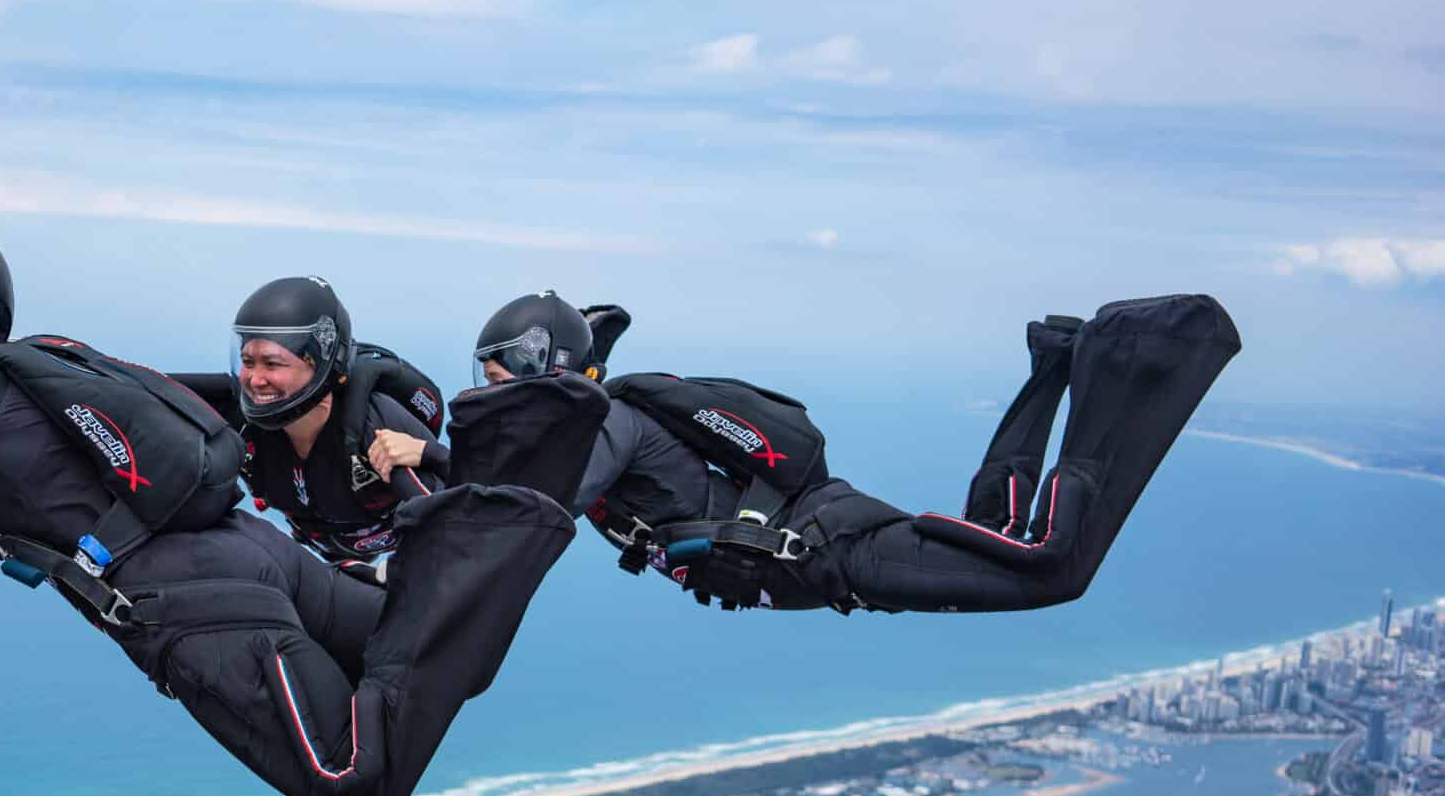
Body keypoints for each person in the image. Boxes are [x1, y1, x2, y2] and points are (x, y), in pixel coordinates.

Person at [0, 227, 609, 796]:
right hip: (254, 549)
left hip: (193, 603)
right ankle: (474, 558)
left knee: (358, 778)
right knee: (438, 654)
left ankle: (481, 552)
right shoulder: (47, 359)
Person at [441, 289, 1240, 614]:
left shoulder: (606, 426)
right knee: (997, 533)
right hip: (829, 556)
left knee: (1054, 569)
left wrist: (432, 535)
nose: (486, 393)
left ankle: (1133, 360)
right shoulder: (594, 427)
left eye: (496, 377)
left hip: (840, 548)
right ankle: (1054, 361)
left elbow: (536, 511)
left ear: (542, 373)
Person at [169, 279, 452, 575]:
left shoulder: (372, 424)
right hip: (319, 558)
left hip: (396, 560)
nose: (255, 379)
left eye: (273, 363)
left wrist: (433, 455)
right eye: (247, 362)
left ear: (318, 364)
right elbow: (140, 389)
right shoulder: (238, 415)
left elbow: (454, 523)